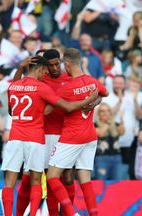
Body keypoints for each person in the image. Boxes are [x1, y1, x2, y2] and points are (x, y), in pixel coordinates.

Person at [1, 55, 98, 216]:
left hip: (16, 137)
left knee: (9, 182)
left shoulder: (13, 86)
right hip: (37, 138)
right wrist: (89, 100)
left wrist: (19, 68)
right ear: (40, 68)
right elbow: (66, 107)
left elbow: (12, 111)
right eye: (45, 69)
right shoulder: (41, 87)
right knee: (36, 181)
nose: (46, 73)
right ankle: (32, 214)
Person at [47, 48, 108, 216]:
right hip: (90, 136)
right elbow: (105, 93)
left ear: (67, 64)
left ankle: (72, 214)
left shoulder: (67, 88)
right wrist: (94, 102)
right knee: (85, 180)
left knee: (52, 177)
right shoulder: (92, 81)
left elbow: (48, 109)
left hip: (72, 136)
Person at [94, 103, 125, 180]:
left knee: (117, 185)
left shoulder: (115, 124)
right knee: (101, 184)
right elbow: (100, 133)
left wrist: (121, 119)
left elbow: (122, 132)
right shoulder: (94, 125)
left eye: (108, 111)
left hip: (117, 158)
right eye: (102, 111)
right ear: (98, 114)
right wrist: (108, 122)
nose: (106, 113)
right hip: (101, 159)